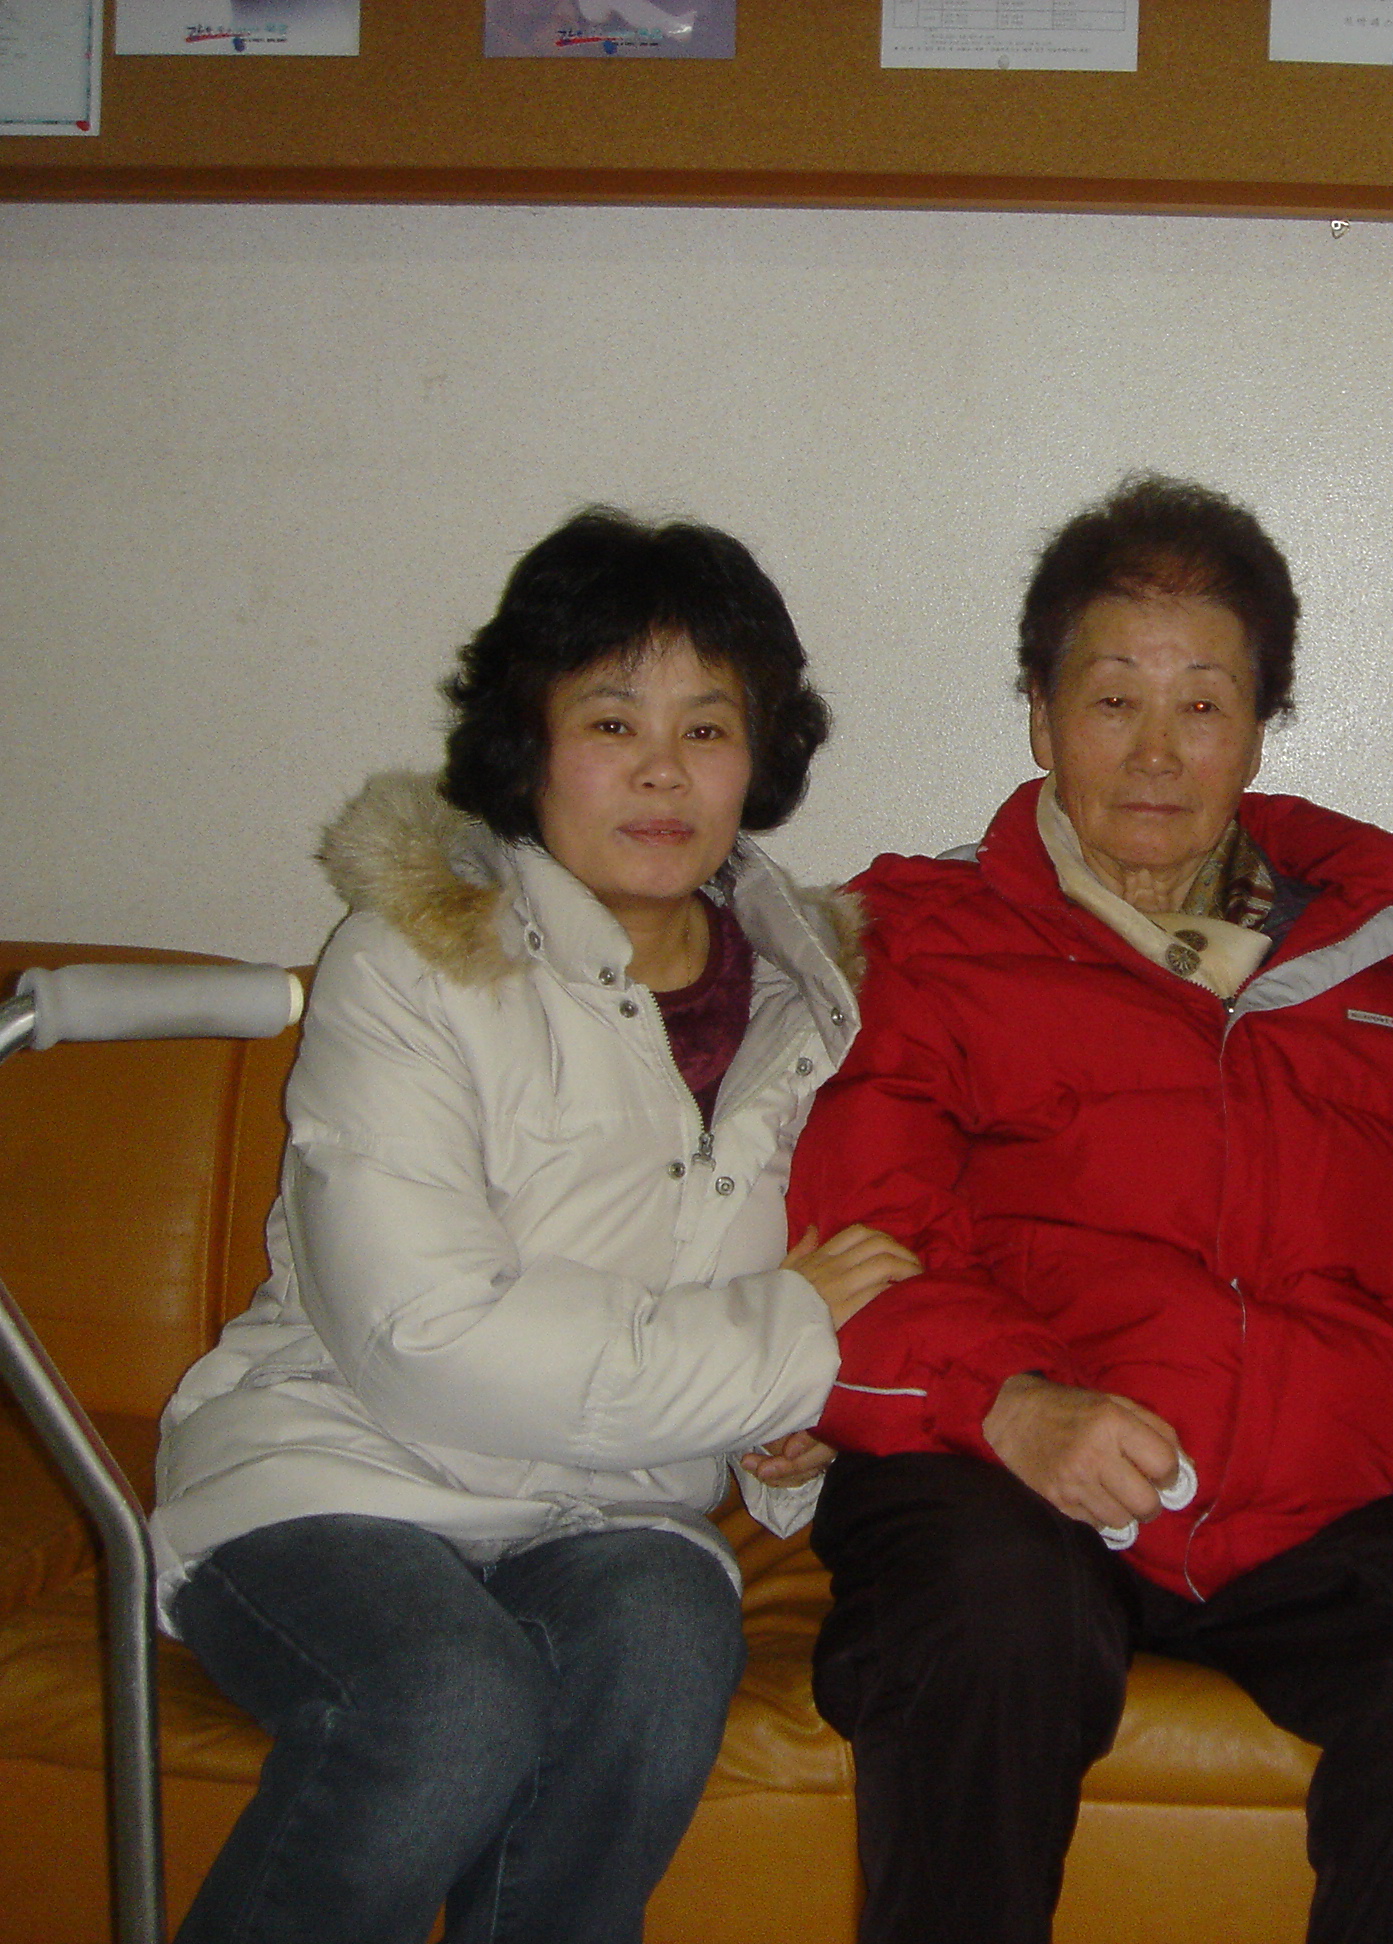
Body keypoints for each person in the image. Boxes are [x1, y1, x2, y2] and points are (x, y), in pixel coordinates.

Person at [787, 473, 1393, 1944]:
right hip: (1013, 1467)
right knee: (993, 1615)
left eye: (1204, 705)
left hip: (1321, 1506)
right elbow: (862, 1248)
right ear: (1042, 721)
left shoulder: (1384, 955)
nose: (1157, 752)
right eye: (1113, 701)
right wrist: (1012, 1403)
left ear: (1259, 728)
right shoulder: (924, 937)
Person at [150, 509, 920, 1944]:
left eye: (707, 727)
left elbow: (834, 1298)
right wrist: (782, 1341)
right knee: (452, 1701)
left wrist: (794, 1433)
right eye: (612, 721)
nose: (662, 770)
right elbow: (429, 1340)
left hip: (617, 1504)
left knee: (669, 1641)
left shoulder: (819, 1007)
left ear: (760, 759)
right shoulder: (412, 958)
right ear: (529, 743)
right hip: (339, 1469)